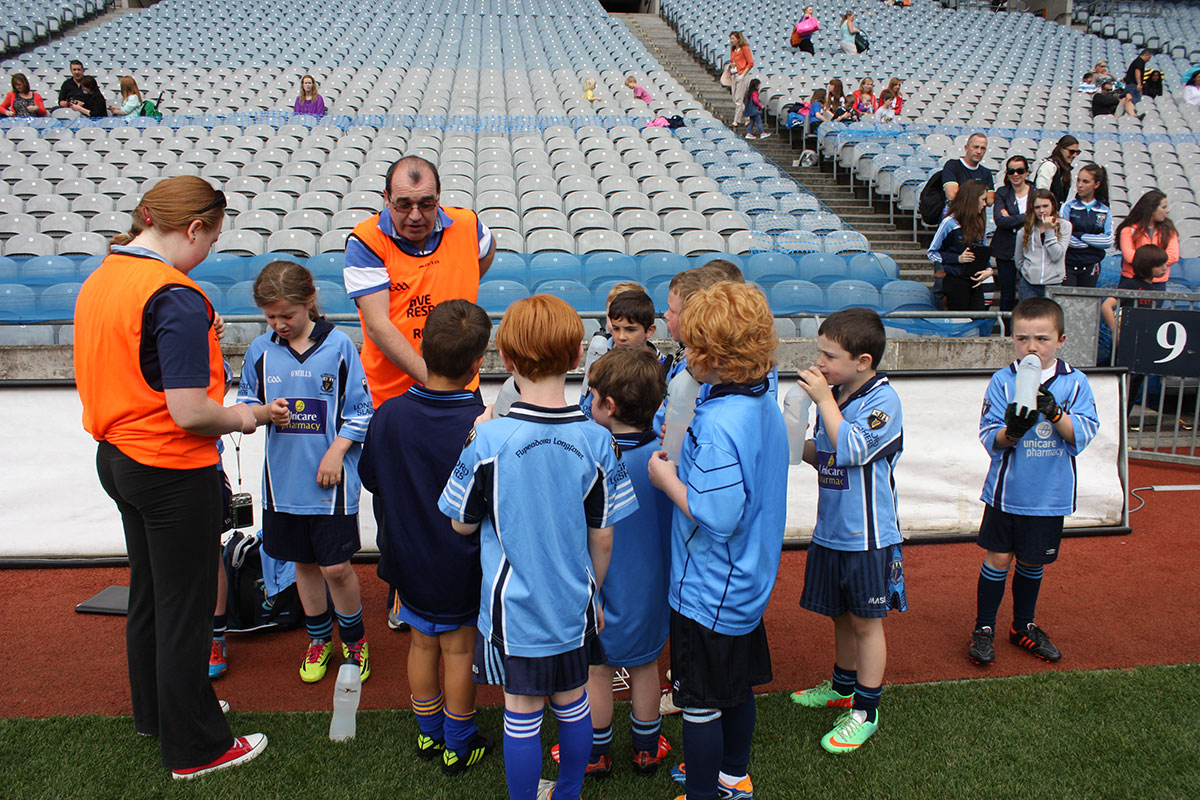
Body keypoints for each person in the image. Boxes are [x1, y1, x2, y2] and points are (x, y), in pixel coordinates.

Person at [73, 175, 272, 779]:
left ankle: (160, 713)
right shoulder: (174, 294)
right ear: (193, 228)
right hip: (168, 464)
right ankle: (196, 747)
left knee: (151, 597)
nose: (209, 250)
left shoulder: (103, 276)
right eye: (211, 237)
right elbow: (191, 411)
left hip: (118, 456)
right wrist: (248, 415)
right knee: (185, 608)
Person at [438, 294, 637, 800]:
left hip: (514, 609)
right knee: (572, 701)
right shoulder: (598, 441)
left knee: (521, 709)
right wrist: (593, 594)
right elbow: (605, 536)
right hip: (573, 602)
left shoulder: (486, 439)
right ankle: (567, 792)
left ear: (505, 361)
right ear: (577, 357)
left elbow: (460, 527)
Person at [647, 281, 787, 800]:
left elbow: (718, 516)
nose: (684, 358)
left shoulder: (720, 424)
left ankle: (706, 791)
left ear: (712, 356)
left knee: (701, 702)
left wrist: (667, 482)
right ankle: (734, 775)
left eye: (689, 349)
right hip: (746, 581)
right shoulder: (761, 400)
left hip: (710, 588)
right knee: (736, 689)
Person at [360, 299, 493, 774]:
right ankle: (457, 741)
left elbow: (372, 478)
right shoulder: (483, 425)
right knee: (458, 649)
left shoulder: (390, 414)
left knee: (421, 642)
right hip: (459, 560)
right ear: (479, 361)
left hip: (406, 556)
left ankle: (428, 732)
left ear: (421, 346)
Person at [237, 261, 374, 683]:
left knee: (336, 567)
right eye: (270, 316)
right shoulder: (260, 350)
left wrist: (336, 452)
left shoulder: (339, 347)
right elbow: (245, 404)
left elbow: (363, 411)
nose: (279, 323)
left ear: (309, 302)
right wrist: (263, 412)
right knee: (304, 564)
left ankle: (355, 640)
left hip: (330, 484)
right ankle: (319, 639)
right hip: (283, 485)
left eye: (287, 315)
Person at [790, 307, 905, 754]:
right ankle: (842, 686)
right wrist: (785, 439)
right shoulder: (837, 396)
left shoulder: (883, 401)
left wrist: (822, 401)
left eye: (829, 356)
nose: (821, 365)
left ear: (863, 362)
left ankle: (866, 709)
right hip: (831, 530)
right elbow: (826, 455)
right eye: (820, 353)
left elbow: (853, 448)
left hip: (867, 538)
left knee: (865, 622)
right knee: (839, 613)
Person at [968, 297, 1099, 666]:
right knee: (997, 557)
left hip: (1047, 496)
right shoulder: (1002, 380)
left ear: (1061, 340)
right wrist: (1012, 432)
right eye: (1023, 338)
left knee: (1032, 563)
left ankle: (1023, 625)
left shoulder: (1075, 383)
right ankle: (984, 628)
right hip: (1007, 493)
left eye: (1042, 338)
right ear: (1012, 339)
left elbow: (1081, 435)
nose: (1032, 347)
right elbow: (990, 436)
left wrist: (1054, 412)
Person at [562, 347, 673, 779]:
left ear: (608, 407)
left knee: (597, 669)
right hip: (653, 589)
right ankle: (646, 749)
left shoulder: (596, 460)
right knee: (647, 666)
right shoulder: (666, 457)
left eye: (593, 397)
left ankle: (595, 753)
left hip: (603, 588)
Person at [343, 155, 495, 406]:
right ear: (386, 199)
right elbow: (378, 325)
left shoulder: (468, 224)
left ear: (438, 197)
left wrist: (462, 280)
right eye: (403, 205)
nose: (415, 216)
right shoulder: (366, 241)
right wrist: (435, 381)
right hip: (391, 396)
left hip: (462, 388)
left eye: (426, 204)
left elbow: (487, 250)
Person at [581, 289, 665, 418]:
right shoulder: (600, 365)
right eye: (616, 328)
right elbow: (587, 410)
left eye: (630, 329)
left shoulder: (664, 367)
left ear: (650, 330)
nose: (621, 337)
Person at [928, 179, 993, 311]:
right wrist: (957, 259)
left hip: (975, 282)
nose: (985, 204)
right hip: (956, 281)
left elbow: (984, 250)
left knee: (978, 321)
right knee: (960, 321)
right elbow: (932, 252)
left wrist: (988, 270)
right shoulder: (949, 222)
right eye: (983, 199)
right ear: (973, 199)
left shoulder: (979, 222)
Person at [1098, 244, 1168, 365]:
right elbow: (1106, 306)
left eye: (1165, 264)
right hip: (1126, 342)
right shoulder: (1130, 285)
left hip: (1143, 343)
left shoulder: (1154, 290)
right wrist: (1116, 330)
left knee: (1137, 377)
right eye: (1159, 265)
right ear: (1146, 265)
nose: (1164, 268)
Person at [1061, 163, 1113, 288]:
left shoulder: (1104, 210)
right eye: (1078, 180)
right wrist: (1093, 242)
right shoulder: (1068, 207)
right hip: (1069, 265)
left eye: (1085, 181)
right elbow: (1065, 238)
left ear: (1096, 184)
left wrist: (1079, 234)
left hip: (1091, 266)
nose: (1080, 185)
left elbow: (1108, 240)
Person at [992, 155, 1032, 313]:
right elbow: (1000, 221)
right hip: (1006, 249)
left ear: (1027, 172)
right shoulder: (1002, 192)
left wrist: (1012, 218)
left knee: (1028, 293)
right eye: (1011, 171)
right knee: (1007, 295)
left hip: (1030, 248)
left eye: (1020, 170)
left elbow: (1038, 219)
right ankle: (1006, 333)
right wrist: (1026, 217)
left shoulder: (1035, 191)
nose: (1015, 174)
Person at [1015, 189, 1071, 301]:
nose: (1042, 210)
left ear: (1053, 206)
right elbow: (1019, 259)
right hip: (1029, 285)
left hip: (1053, 284)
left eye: (1045, 206)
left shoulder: (1065, 226)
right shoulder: (1024, 230)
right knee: (1029, 317)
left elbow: (1057, 255)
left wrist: (1049, 230)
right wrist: (1028, 272)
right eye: (1037, 207)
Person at [1117, 189, 1179, 283]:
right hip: (1132, 280)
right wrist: (1157, 264)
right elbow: (1129, 256)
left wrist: (1146, 263)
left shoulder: (1169, 230)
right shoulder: (1128, 230)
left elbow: (1173, 256)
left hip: (1158, 282)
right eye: (1163, 207)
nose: (1167, 211)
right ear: (1152, 209)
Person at [942, 133, 994, 206]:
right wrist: (980, 195)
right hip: (956, 215)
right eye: (975, 147)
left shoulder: (986, 172)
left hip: (977, 216)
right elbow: (952, 195)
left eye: (983, 148)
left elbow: (990, 200)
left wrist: (962, 192)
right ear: (966, 148)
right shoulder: (953, 165)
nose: (979, 151)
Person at [1032, 135, 1078, 206]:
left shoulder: (1064, 169)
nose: (1075, 155)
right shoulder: (1049, 166)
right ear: (1061, 149)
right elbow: (1041, 194)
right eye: (1071, 151)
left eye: (1077, 152)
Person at [728, 31, 754, 127]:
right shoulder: (733, 50)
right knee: (735, 98)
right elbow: (732, 60)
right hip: (734, 74)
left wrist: (743, 74)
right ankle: (748, 118)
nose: (731, 40)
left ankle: (736, 120)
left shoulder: (745, 48)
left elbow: (750, 63)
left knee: (739, 99)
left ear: (738, 39)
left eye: (733, 38)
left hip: (742, 75)